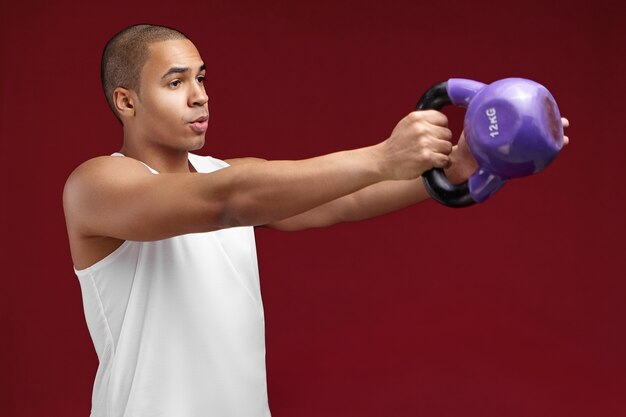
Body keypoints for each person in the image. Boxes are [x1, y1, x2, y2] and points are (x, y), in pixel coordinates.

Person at [63, 24, 569, 417]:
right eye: (176, 82)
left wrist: (452, 170)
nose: (199, 95)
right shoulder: (98, 184)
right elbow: (223, 202)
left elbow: (338, 201)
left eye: (201, 78)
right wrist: (383, 155)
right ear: (125, 100)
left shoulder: (231, 175)